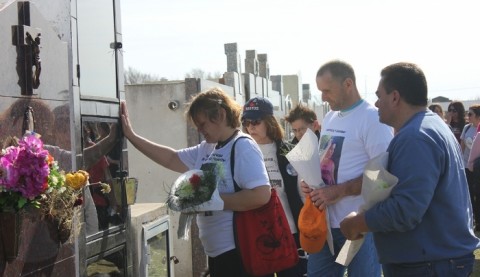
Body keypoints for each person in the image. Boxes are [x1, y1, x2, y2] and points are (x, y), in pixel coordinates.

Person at [340, 62, 480, 276]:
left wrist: (357, 223)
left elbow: (406, 209)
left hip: (428, 264)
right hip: (434, 259)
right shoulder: (430, 126)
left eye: (379, 96)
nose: (376, 103)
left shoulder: (415, 136)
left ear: (395, 97)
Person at [120, 87, 271, 277]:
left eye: (202, 123)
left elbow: (261, 195)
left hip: (238, 252)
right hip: (216, 251)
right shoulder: (207, 147)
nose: (199, 130)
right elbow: (171, 158)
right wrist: (131, 136)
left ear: (221, 114)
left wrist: (210, 200)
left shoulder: (243, 146)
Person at [301, 60, 393, 277]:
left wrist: (340, 191)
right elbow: (327, 162)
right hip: (326, 225)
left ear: (348, 84)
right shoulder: (332, 116)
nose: (323, 97)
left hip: (361, 226)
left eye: (327, 90)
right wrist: (312, 182)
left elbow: (383, 176)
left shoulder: (372, 118)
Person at [241, 96, 307, 277]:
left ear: (269, 122)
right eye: (246, 122)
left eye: (256, 121)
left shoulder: (289, 151)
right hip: (258, 235)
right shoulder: (241, 153)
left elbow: (302, 193)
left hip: (291, 233)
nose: (250, 126)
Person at [462, 104, 480, 230]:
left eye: (470, 114)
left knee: (477, 193)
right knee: (469, 193)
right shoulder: (467, 128)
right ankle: (473, 217)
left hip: (477, 167)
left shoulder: (478, 130)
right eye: (467, 114)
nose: (468, 117)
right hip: (466, 166)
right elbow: (461, 146)